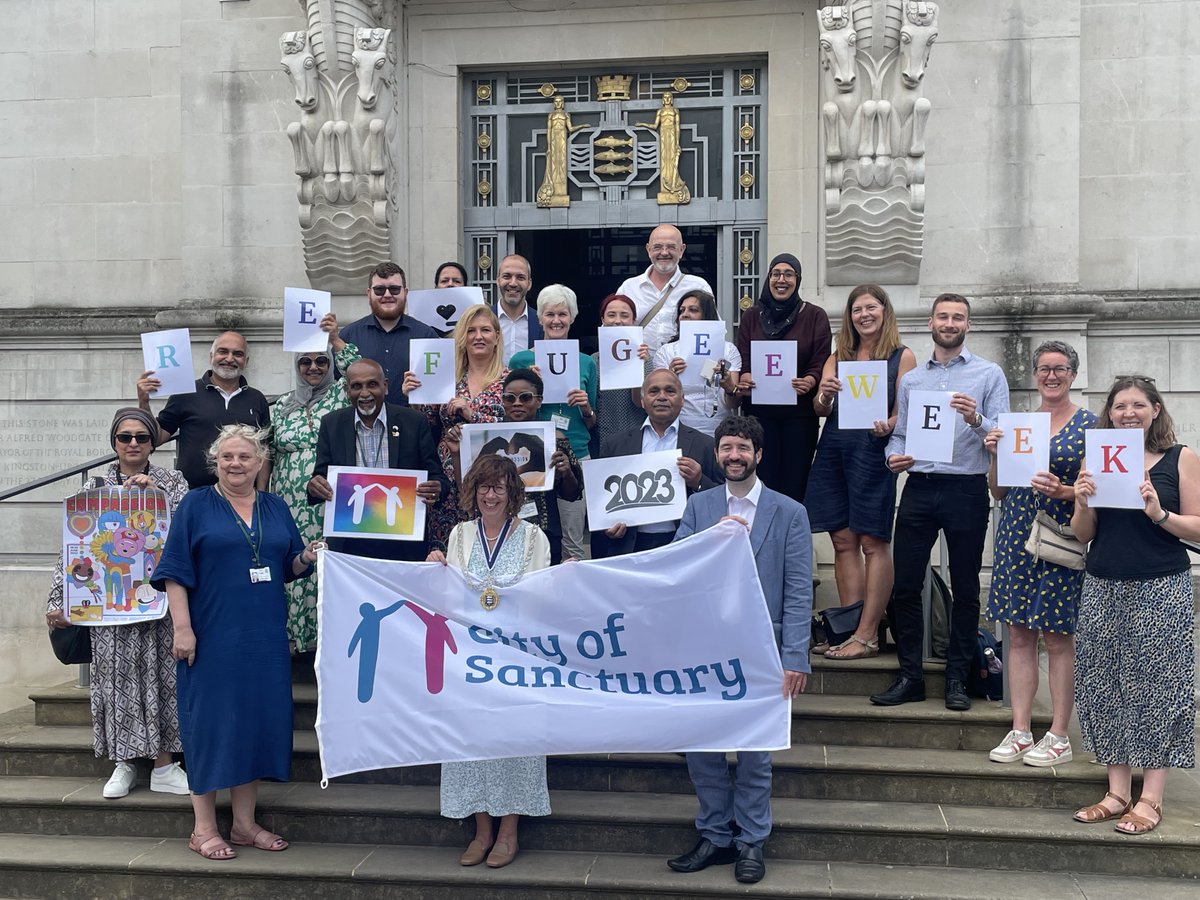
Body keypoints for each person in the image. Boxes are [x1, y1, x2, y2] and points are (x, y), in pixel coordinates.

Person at [152, 424, 323, 860]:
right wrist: (183, 628)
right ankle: (204, 829)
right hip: (211, 633)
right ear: (215, 461)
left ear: (260, 462)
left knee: (254, 725)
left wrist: (308, 557)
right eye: (227, 456)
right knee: (211, 726)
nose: (235, 464)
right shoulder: (196, 504)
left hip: (264, 637)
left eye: (245, 457)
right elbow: (173, 569)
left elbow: (288, 566)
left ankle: (245, 826)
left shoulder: (275, 505)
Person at [668, 415, 812, 885]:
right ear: (716, 453)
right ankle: (715, 834)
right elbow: (673, 567)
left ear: (758, 455)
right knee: (702, 748)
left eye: (742, 448)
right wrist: (713, 539)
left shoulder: (789, 512)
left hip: (763, 651)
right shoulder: (700, 506)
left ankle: (751, 839)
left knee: (755, 751)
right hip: (703, 646)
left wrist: (796, 657)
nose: (734, 456)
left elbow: (798, 592)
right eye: (726, 447)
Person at [1070, 376, 1198, 835]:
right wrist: (1083, 499)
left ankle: (1151, 798)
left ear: (1156, 410)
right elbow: (1084, 533)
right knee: (1104, 685)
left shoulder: (1180, 458)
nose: (1128, 412)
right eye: (1120, 405)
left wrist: (1158, 512)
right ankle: (1117, 792)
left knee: (1158, 689)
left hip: (1160, 586)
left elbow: (1198, 527)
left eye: (1138, 405)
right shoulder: (1098, 458)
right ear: (1109, 413)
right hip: (1103, 583)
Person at [871, 293, 1009, 711]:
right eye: (943, 316)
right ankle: (911, 676)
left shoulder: (989, 374)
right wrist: (891, 456)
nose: (950, 323)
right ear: (931, 322)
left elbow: (1002, 432)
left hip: (966, 488)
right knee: (906, 584)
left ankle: (957, 679)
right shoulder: (913, 381)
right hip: (920, 485)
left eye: (958, 317)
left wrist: (976, 419)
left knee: (967, 587)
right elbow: (899, 434)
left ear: (968, 325)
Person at [45, 408, 190, 799]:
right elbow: (72, 549)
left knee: (161, 680)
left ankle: (164, 764)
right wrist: (59, 600)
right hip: (107, 606)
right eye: (125, 437)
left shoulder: (173, 482)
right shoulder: (92, 488)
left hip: (157, 601)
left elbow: (186, 532)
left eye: (141, 437)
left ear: (152, 443)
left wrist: (154, 499)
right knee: (117, 683)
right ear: (114, 443)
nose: (133, 444)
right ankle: (123, 763)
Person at [428, 454, 552, 869]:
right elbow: (448, 597)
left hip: (516, 660)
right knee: (470, 741)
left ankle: (509, 832)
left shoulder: (535, 537)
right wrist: (435, 570)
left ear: (513, 493)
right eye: (483, 486)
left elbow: (543, 599)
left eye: (499, 486)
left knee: (514, 741)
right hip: (469, 660)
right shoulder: (459, 535)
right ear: (473, 492)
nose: (490, 494)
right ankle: (481, 830)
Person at [984, 341, 1096, 765]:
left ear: (1073, 374)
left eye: (1060, 368)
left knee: (1058, 636)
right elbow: (998, 490)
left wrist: (1065, 491)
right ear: (1034, 374)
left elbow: (1098, 490)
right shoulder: (1020, 425)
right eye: (1044, 369)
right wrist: (994, 454)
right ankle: (1019, 729)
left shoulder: (1090, 424)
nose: (1052, 375)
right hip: (1016, 535)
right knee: (1017, 635)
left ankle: (1060, 734)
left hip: (1060, 537)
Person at [809, 285, 916, 659]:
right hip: (835, 449)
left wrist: (891, 424)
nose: (864, 315)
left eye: (871, 307)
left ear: (884, 311)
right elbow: (820, 409)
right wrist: (825, 392)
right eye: (857, 309)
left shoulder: (902, 357)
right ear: (850, 316)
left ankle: (869, 633)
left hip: (873, 452)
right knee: (842, 541)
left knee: (873, 542)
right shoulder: (839, 356)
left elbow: (908, 411)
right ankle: (847, 629)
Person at [270, 314, 357, 650]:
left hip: (329, 498)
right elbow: (271, 455)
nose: (314, 368)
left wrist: (335, 339)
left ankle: (327, 641)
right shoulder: (280, 408)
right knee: (294, 562)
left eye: (322, 361)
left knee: (326, 563)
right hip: (288, 500)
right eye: (305, 362)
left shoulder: (341, 395)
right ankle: (297, 641)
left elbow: (363, 369)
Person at [307, 359, 446, 561]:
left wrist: (436, 489)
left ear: (385, 387)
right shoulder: (332, 424)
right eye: (356, 386)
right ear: (347, 390)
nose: (364, 393)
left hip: (402, 543)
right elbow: (319, 477)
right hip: (349, 545)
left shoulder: (413, 423)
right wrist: (314, 486)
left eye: (372, 384)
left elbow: (438, 478)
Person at [404, 304, 509, 549]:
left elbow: (516, 426)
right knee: (448, 551)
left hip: (494, 483)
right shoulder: (445, 377)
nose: (478, 336)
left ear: (496, 337)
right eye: (471, 331)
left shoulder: (509, 379)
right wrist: (414, 399)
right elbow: (427, 423)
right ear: (462, 338)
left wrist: (473, 415)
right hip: (449, 484)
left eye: (485, 330)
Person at [734, 253, 832, 504]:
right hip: (758, 417)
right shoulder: (751, 316)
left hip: (798, 418)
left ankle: (791, 541)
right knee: (761, 485)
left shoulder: (814, 316)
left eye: (789, 274)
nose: (781, 280)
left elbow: (821, 358)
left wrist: (811, 379)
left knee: (795, 485)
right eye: (776, 274)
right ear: (768, 278)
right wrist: (745, 375)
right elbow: (743, 354)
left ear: (797, 280)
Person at [508, 284, 597, 559]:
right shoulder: (521, 359)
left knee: (573, 539)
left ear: (572, 318)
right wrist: (528, 382)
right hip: (532, 455)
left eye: (563, 314)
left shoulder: (586, 363)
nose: (556, 320)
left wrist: (585, 407)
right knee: (531, 534)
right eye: (550, 314)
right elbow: (512, 411)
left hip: (577, 454)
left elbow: (592, 423)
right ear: (540, 319)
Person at [594, 368, 723, 557]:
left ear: (682, 399)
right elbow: (599, 501)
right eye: (654, 391)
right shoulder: (615, 445)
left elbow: (722, 499)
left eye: (670, 391)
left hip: (685, 545)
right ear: (642, 400)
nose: (662, 397)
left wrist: (699, 482)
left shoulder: (705, 445)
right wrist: (607, 525)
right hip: (630, 547)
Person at [136, 331, 271, 489]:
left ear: (245, 361)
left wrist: (262, 494)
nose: (229, 358)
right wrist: (143, 402)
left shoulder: (257, 399)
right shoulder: (185, 393)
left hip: (243, 496)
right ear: (211, 356)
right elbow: (156, 439)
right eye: (223, 351)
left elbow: (264, 451)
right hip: (192, 493)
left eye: (238, 354)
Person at [340, 261, 440, 406]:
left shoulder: (427, 336)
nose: (387, 295)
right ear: (369, 294)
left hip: (413, 425)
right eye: (379, 289)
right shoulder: (348, 336)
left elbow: (438, 388)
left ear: (405, 293)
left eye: (394, 289)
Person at [652, 289, 741, 436]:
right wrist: (670, 376)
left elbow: (734, 404)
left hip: (717, 428)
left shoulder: (728, 350)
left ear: (707, 315)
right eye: (682, 310)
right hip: (677, 429)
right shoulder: (666, 351)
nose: (685, 314)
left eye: (693, 310)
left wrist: (728, 385)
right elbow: (659, 398)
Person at [615, 224, 712, 353]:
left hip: (682, 366)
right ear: (648, 250)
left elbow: (712, 330)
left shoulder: (699, 286)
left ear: (682, 250)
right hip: (640, 367)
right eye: (657, 247)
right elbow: (613, 331)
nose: (664, 252)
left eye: (671, 247)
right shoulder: (629, 288)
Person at [591, 293, 652, 454]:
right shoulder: (593, 360)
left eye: (624, 315)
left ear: (633, 321)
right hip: (601, 438)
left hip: (636, 437)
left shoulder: (645, 358)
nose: (617, 320)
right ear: (603, 319)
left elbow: (642, 403)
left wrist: (639, 365)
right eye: (611, 315)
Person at [493, 255, 543, 360]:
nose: (513, 283)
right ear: (498, 281)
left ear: (529, 284)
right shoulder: (483, 320)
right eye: (507, 276)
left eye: (520, 277)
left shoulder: (542, 322)